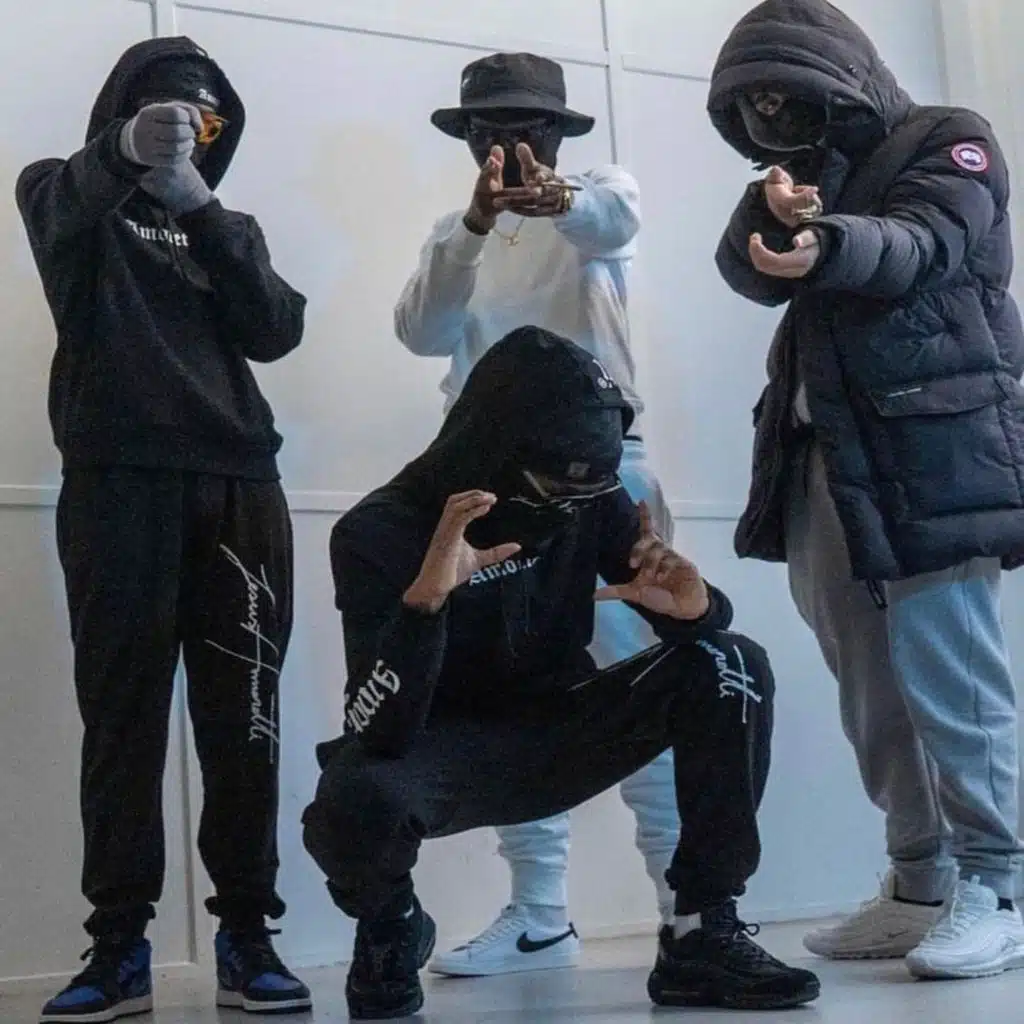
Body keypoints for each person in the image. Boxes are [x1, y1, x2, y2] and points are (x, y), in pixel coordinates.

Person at [302, 326, 821, 1019]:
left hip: (559, 727)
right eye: (553, 486)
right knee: (353, 798)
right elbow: (380, 729)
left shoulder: (586, 498)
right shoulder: (378, 531)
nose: (568, 505)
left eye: (588, 488)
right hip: (441, 748)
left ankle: (700, 932)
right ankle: (391, 925)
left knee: (731, 661)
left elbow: (681, 614)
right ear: (493, 450)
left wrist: (697, 609)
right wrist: (425, 606)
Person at [707, 0, 1024, 981]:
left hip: (938, 452)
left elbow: (922, 240)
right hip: (824, 456)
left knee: (953, 676)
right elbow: (744, 271)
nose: (771, 114)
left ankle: (1001, 885)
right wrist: (775, 214)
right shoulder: (800, 172)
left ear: (836, 74)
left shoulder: (950, 138)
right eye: (755, 103)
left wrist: (828, 240)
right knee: (868, 691)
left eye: (785, 94)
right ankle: (919, 881)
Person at [17, 37, 312, 1020]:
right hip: (118, 487)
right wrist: (122, 154)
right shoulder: (65, 194)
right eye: (166, 113)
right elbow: (57, 206)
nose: (187, 130)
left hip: (241, 488)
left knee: (246, 724)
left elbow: (276, 329)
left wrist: (198, 202)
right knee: (123, 721)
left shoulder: (228, 226)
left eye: (204, 119)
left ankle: (247, 935)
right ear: (123, 112)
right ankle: (118, 948)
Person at [394, 49, 680, 977]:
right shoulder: (456, 234)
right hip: (492, 484)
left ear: (558, 134)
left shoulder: (603, 193)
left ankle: (692, 909)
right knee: (505, 690)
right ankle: (540, 914)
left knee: (647, 677)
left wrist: (556, 198)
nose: (508, 144)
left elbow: (612, 221)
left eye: (528, 127)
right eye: (488, 129)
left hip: (605, 470)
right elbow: (422, 332)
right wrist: (477, 223)